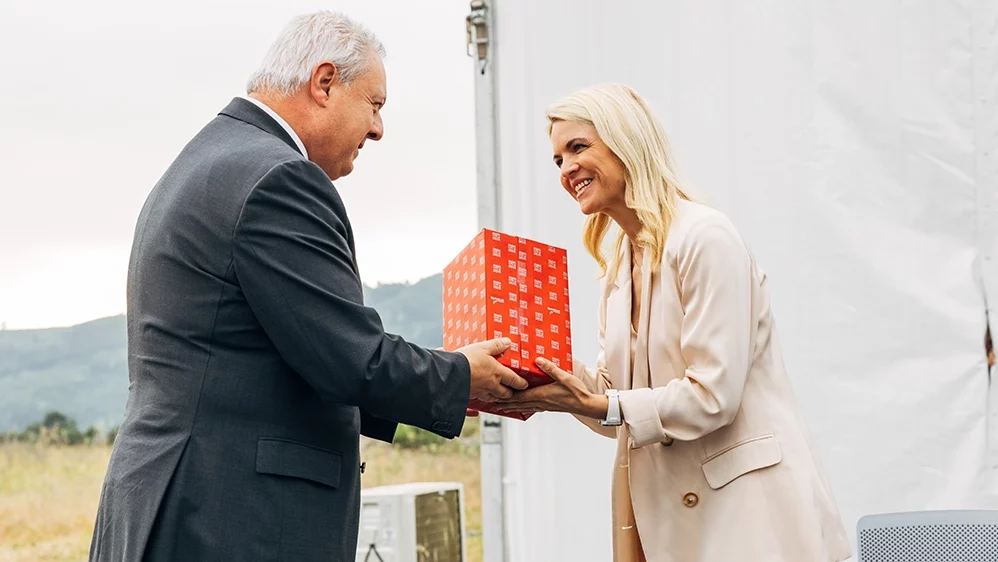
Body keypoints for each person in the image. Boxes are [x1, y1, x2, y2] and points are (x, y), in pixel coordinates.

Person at [88, 11, 527, 562]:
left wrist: (435, 385)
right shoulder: (280, 178)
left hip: (176, 502)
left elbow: (285, 355)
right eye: (375, 104)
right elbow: (349, 358)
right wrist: (461, 377)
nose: (378, 129)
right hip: (232, 518)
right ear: (324, 83)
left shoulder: (208, 161)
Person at [495, 84, 852, 562]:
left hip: (751, 521)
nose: (566, 169)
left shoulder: (705, 237)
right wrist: (546, 373)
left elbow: (712, 396)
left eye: (578, 147)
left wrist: (597, 400)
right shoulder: (620, 264)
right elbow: (615, 401)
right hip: (679, 525)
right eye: (557, 159)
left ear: (627, 141)